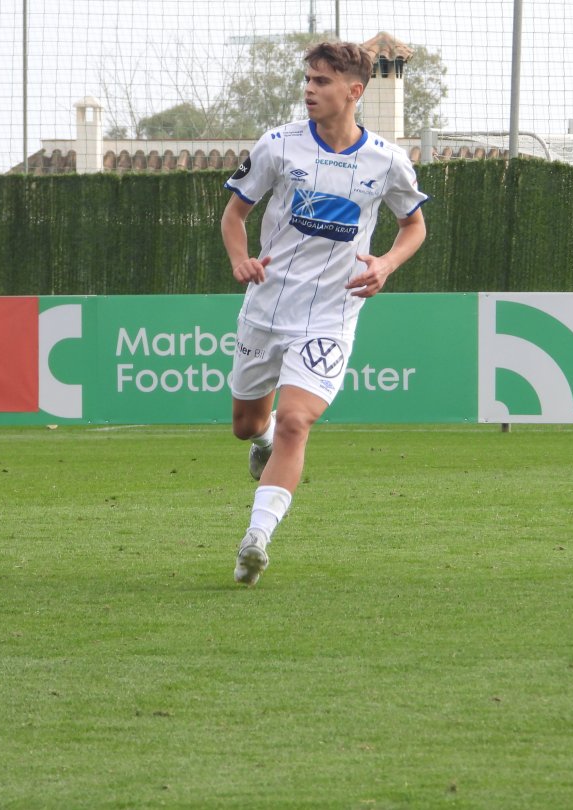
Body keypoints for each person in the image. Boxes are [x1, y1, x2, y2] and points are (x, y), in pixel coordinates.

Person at [220, 41, 428, 586]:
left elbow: (413, 225)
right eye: (308, 80)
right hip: (266, 308)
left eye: (322, 81)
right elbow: (234, 215)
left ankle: (256, 539)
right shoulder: (277, 145)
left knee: (296, 420)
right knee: (248, 426)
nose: (309, 90)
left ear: (353, 91)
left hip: (332, 316)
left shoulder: (387, 159)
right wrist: (241, 260)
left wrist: (386, 264)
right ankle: (261, 443)